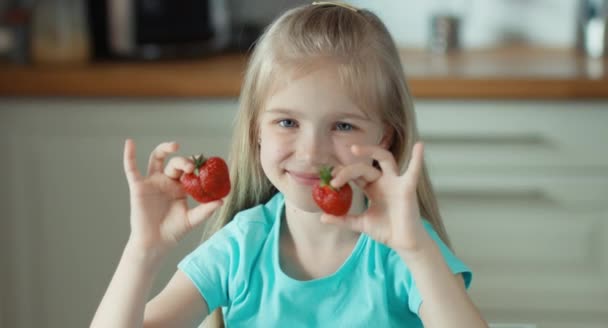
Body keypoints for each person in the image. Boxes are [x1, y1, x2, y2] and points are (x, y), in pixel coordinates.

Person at [91, 2, 488, 327]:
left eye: (343, 125)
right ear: (256, 130)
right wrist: (143, 250)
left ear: (384, 138)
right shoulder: (240, 248)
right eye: (287, 122)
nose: (311, 152)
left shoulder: (403, 248)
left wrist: (418, 250)